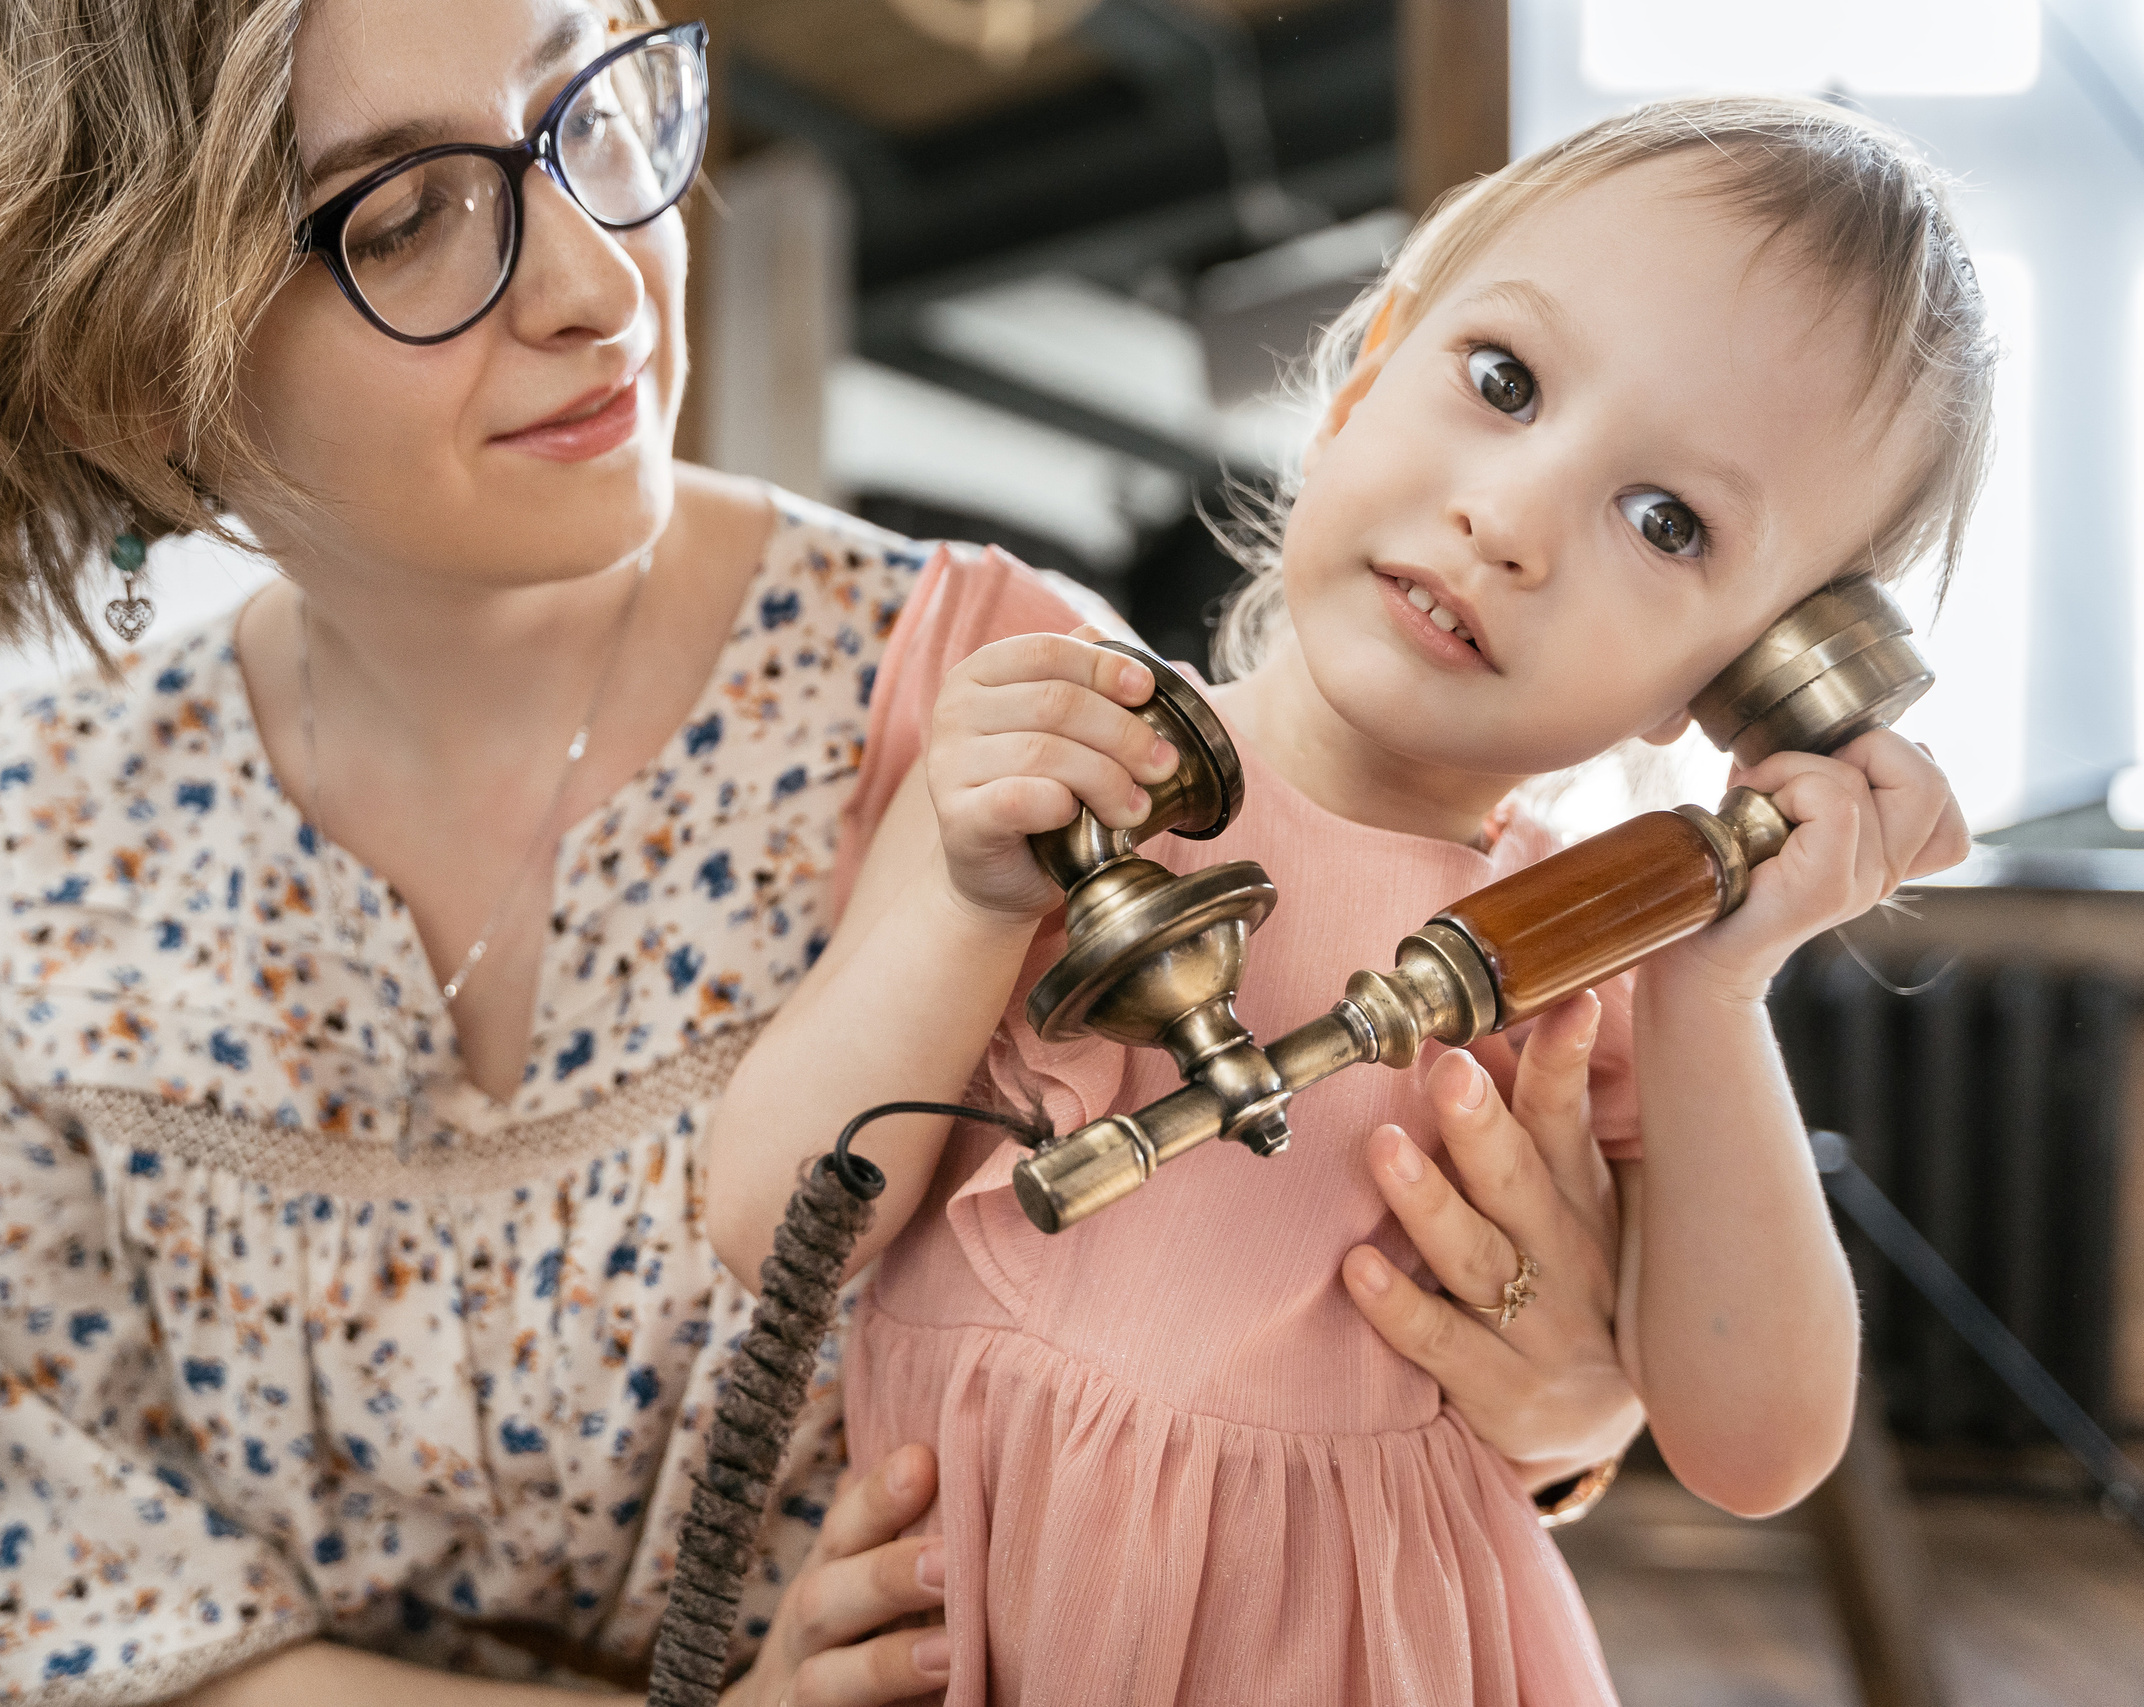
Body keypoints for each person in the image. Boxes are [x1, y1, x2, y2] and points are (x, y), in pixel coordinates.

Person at [0, 1, 1653, 1702]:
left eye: (590, 110)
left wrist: (1553, 1398)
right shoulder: (45, 861)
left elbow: (1288, 1388)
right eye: (405, 217)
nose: (598, 278)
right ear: (122, 356)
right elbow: (42, 1585)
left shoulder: (1005, 713)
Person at [708, 94, 1987, 1705]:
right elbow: (773, 1225)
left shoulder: (1584, 965)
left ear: (1733, 685)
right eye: (1506, 384)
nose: (1508, 522)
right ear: (1364, 375)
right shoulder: (1045, 775)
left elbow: (1758, 1447)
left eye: (1669, 523)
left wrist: (1720, 988)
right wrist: (966, 902)